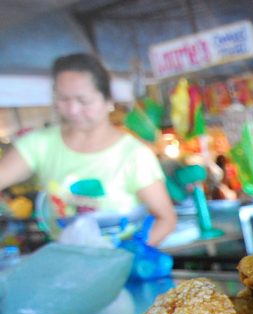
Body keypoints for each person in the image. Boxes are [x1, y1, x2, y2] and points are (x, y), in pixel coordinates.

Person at [0, 53, 177, 246]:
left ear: (108, 100)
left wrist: (126, 256)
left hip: (120, 268)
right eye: (63, 99)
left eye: (83, 101)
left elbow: (166, 220)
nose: (73, 110)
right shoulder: (39, 144)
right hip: (67, 266)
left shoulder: (133, 155)